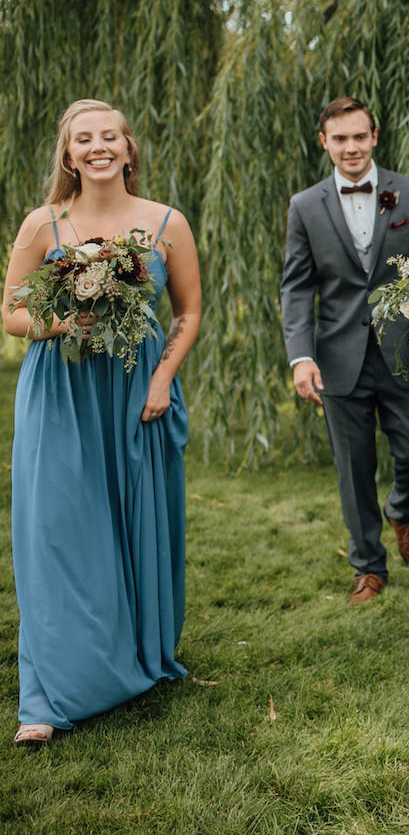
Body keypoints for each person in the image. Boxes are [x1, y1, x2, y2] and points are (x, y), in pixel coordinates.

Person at [4, 99, 202, 744]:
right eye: (84, 139)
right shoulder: (44, 224)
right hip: (61, 387)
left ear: (128, 148)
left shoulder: (166, 223)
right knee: (58, 527)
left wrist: (162, 379)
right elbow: (11, 312)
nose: (98, 147)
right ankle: (49, 692)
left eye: (109, 137)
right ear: (68, 155)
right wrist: (65, 322)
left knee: (133, 521)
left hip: (135, 388)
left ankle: (134, 655)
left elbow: (187, 312)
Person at [280, 96, 409, 604]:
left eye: (358, 136)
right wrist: (301, 356)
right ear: (324, 142)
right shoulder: (305, 206)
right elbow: (298, 287)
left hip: (405, 349)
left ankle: (402, 511)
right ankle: (368, 566)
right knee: (353, 465)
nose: (351, 147)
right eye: (339, 138)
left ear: (374, 136)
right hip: (337, 355)